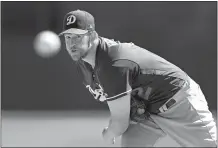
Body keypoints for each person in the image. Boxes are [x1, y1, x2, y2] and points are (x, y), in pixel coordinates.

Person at [59, 9, 217, 147]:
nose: (72, 43)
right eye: (68, 38)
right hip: (146, 111)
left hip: (179, 101)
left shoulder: (112, 63)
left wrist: (108, 133)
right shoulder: (83, 64)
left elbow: (120, 123)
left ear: (92, 35)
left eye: (77, 37)